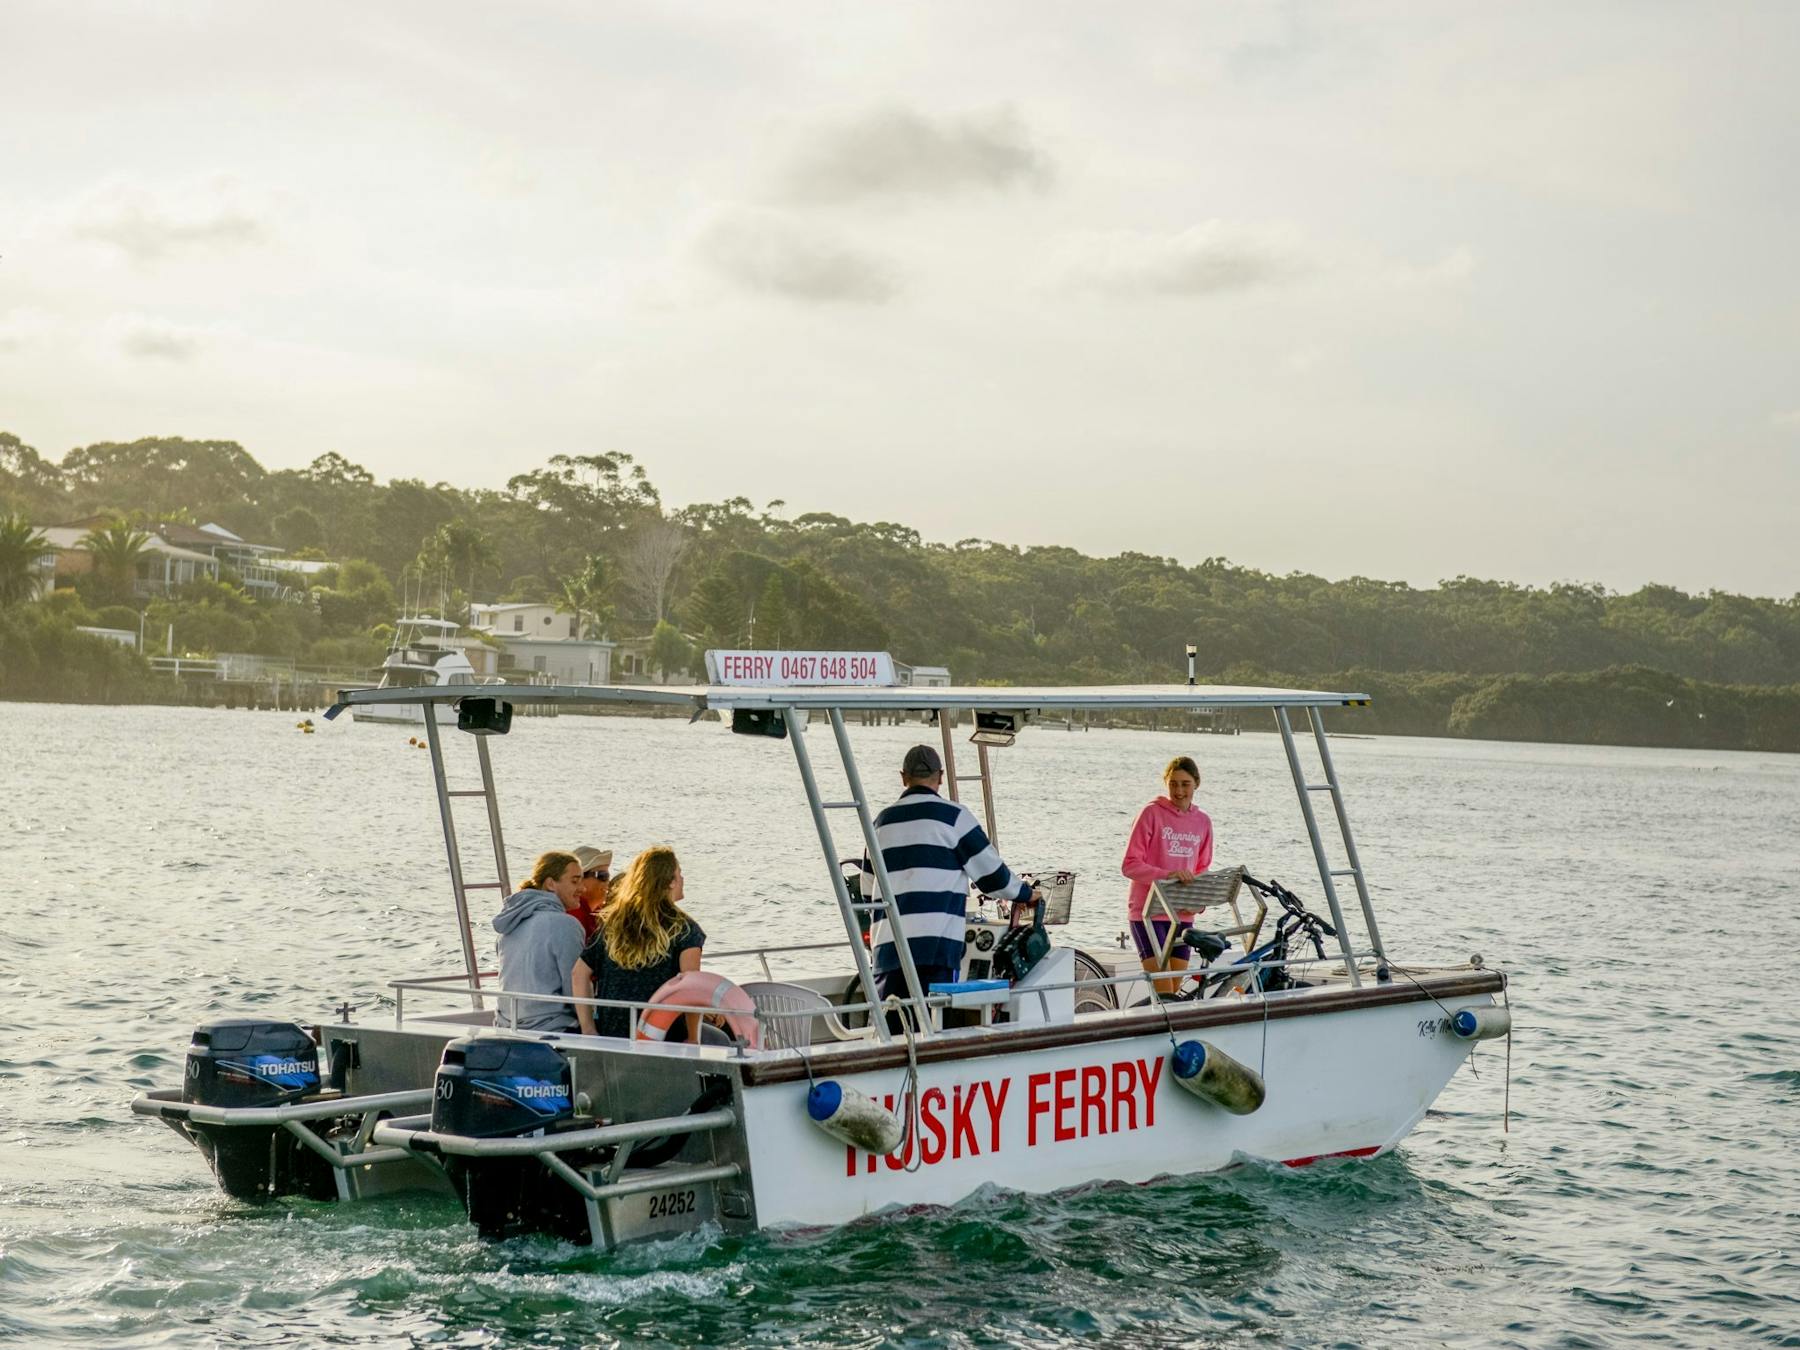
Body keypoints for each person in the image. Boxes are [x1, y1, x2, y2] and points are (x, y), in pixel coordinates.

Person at [867, 744, 1035, 1013]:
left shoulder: (880, 822)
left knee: (895, 1031)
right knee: (932, 1027)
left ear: (903, 777)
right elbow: (993, 878)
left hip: (888, 950)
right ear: (941, 777)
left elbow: (868, 892)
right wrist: (1027, 894)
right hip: (935, 949)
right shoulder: (954, 818)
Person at [570, 845, 706, 1040]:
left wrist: (588, 1029)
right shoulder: (684, 929)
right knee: (721, 1040)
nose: (682, 880)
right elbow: (690, 987)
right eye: (679, 874)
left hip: (612, 1035)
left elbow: (579, 973)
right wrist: (693, 1036)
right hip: (664, 1039)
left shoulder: (614, 924)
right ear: (669, 882)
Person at [1121, 755, 1215, 995]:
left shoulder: (1203, 821)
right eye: (1173, 783)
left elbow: (1202, 869)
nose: (1179, 790)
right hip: (1148, 913)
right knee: (1164, 992)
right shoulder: (1150, 813)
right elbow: (1130, 865)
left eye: (1185, 784)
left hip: (1182, 915)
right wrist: (1169, 875)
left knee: (1174, 990)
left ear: (1196, 783)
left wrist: (1199, 903)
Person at [492, 851, 587, 1032]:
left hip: (505, 1026)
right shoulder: (565, 924)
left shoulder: (511, 922)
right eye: (575, 881)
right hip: (551, 1027)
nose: (583, 888)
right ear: (551, 884)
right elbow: (574, 985)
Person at [569, 845, 613, 941]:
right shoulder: (573, 915)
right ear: (580, 879)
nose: (607, 882)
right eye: (602, 876)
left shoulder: (596, 912)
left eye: (608, 876)